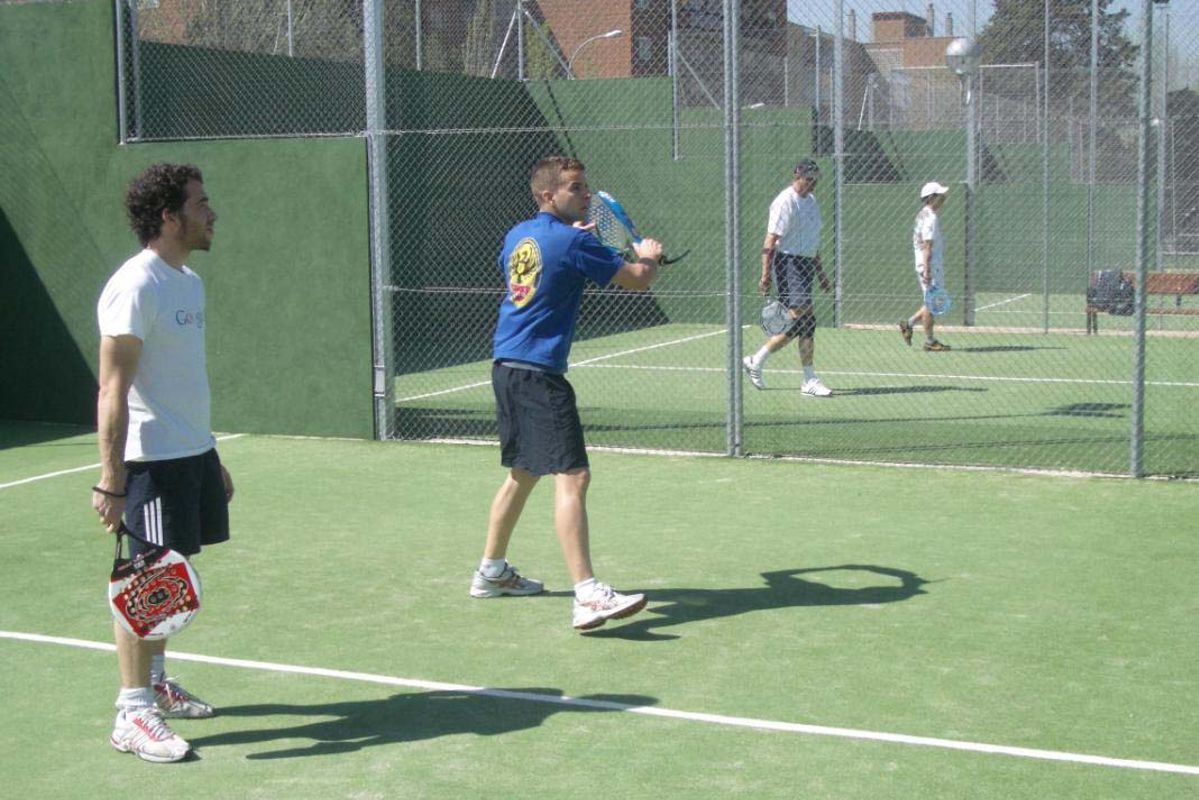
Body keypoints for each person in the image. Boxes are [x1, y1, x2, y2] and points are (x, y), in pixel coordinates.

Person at [471, 155, 664, 632]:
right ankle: (587, 594)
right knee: (572, 476)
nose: (586, 196)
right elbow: (638, 282)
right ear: (547, 195)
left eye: (585, 187)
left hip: (505, 366)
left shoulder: (519, 235)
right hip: (539, 374)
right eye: (576, 189)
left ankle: (491, 572)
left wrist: (581, 239)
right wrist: (649, 256)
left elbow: (540, 266)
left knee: (524, 472)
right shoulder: (576, 241)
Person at [92, 163, 232, 762]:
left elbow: (181, 380)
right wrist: (112, 479)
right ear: (169, 216)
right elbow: (112, 390)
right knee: (143, 584)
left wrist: (209, 452)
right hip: (148, 461)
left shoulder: (188, 282)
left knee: (168, 584)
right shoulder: (136, 285)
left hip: (189, 455)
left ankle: (155, 683)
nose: (212, 212)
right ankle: (132, 712)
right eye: (201, 203)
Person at [742, 159, 833, 396]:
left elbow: (813, 242)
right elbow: (770, 241)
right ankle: (807, 378)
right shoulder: (784, 202)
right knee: (803, 319)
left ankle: (758, 361)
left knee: (804, 323)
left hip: (806, 265)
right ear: (798, 176)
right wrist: (765, 274)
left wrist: (821, 273)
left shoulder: (812, 203)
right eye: (809, 179)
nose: (813, 184)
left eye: (815, 180)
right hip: (788, 263)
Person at [900, 182, 952, 351]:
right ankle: (930, 341)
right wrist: (928, 270)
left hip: (928, 265)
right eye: (939, 196)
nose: (943, 198)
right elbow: (927, 246)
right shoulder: (930, 217)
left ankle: (908, 324)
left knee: (932, 301)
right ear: (931, 198)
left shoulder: (922, 215)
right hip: (930, 266)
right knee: (932, 303)